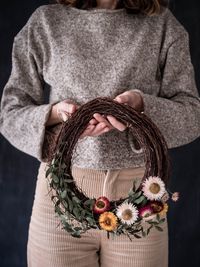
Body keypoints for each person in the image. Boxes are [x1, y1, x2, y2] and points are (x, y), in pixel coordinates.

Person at [0, 0, 200, 266]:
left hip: (140, 201)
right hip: (58, 204)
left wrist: (140, 107)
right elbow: (10, 113)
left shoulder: (162, 24)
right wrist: (58, 115)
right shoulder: (46, 22)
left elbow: (192, 115)